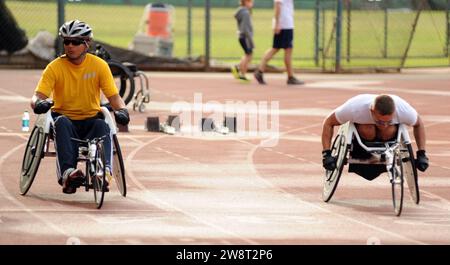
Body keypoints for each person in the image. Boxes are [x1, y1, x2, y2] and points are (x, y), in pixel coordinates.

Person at [30, 20, 130, 194]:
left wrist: (122, 110)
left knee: (102, 125)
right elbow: (37, 96)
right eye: (66, 41)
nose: (70, 46)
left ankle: (104, 173)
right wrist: (38, 103)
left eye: (75, 42)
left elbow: (114, 96)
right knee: (61, 122)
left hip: (91, 119)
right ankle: (69, 174)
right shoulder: (55, 67)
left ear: (86, 44)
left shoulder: (99, 66)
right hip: (64, 120)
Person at [321, 94, 429, 179]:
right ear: (371, 111)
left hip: (388, 140)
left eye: (389, 121)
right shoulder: (355, 108)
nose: (385, 124)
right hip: (362, 142)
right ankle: (367, 148)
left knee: (389, 130)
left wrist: (422, 153)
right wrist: (326, 153)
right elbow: (328, 123)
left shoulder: (403, 110)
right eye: (380, 121)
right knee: (368, 129)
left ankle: (385, 149)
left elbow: (419, 124)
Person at [253, 0, 303, 85]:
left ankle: (260, 71)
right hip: (284, 24)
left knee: (276, 48)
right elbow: (277, 5)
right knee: (287, 49)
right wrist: (277, 23)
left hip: (285, 23)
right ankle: (290, 77)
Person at [231, 0, 254, 82]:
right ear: (246, 2)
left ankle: (237, 68)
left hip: (242, 36)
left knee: (247, 54)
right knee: (249, 55)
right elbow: (245, 29)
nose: (252, 4)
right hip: (245, 37)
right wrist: (250, 40)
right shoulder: (246, 13)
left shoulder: (242, 12)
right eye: (251, 2)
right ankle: (242, 74)